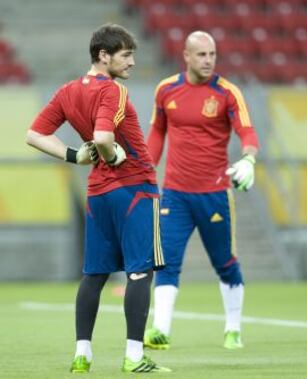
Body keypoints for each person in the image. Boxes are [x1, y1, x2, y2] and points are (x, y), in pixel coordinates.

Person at [26, 23, 171, 374]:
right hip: (135, 188)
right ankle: (134, 357)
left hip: (98, 194)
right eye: (125, 55)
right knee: (140, 273)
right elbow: (105, 136)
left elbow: (34, 135)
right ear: (103, 56)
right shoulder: (114, 91)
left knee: (94, 275)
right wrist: (112, 155)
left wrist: (76, 155)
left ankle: (82, 354)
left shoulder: (68, 91)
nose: (132, 62)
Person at [144, 31, 259, 350]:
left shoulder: (227, 92)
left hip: (215, 194)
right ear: (186, 56)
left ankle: (233, 329)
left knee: (225, 263)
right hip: (175, 194)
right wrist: (145, 170)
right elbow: (157, 132)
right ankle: (160, 330)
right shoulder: (166, 89)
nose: (208, 60)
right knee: (165, 262)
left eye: (212, 54)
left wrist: (249, 158)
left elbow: (247, 131)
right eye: (202, 55)